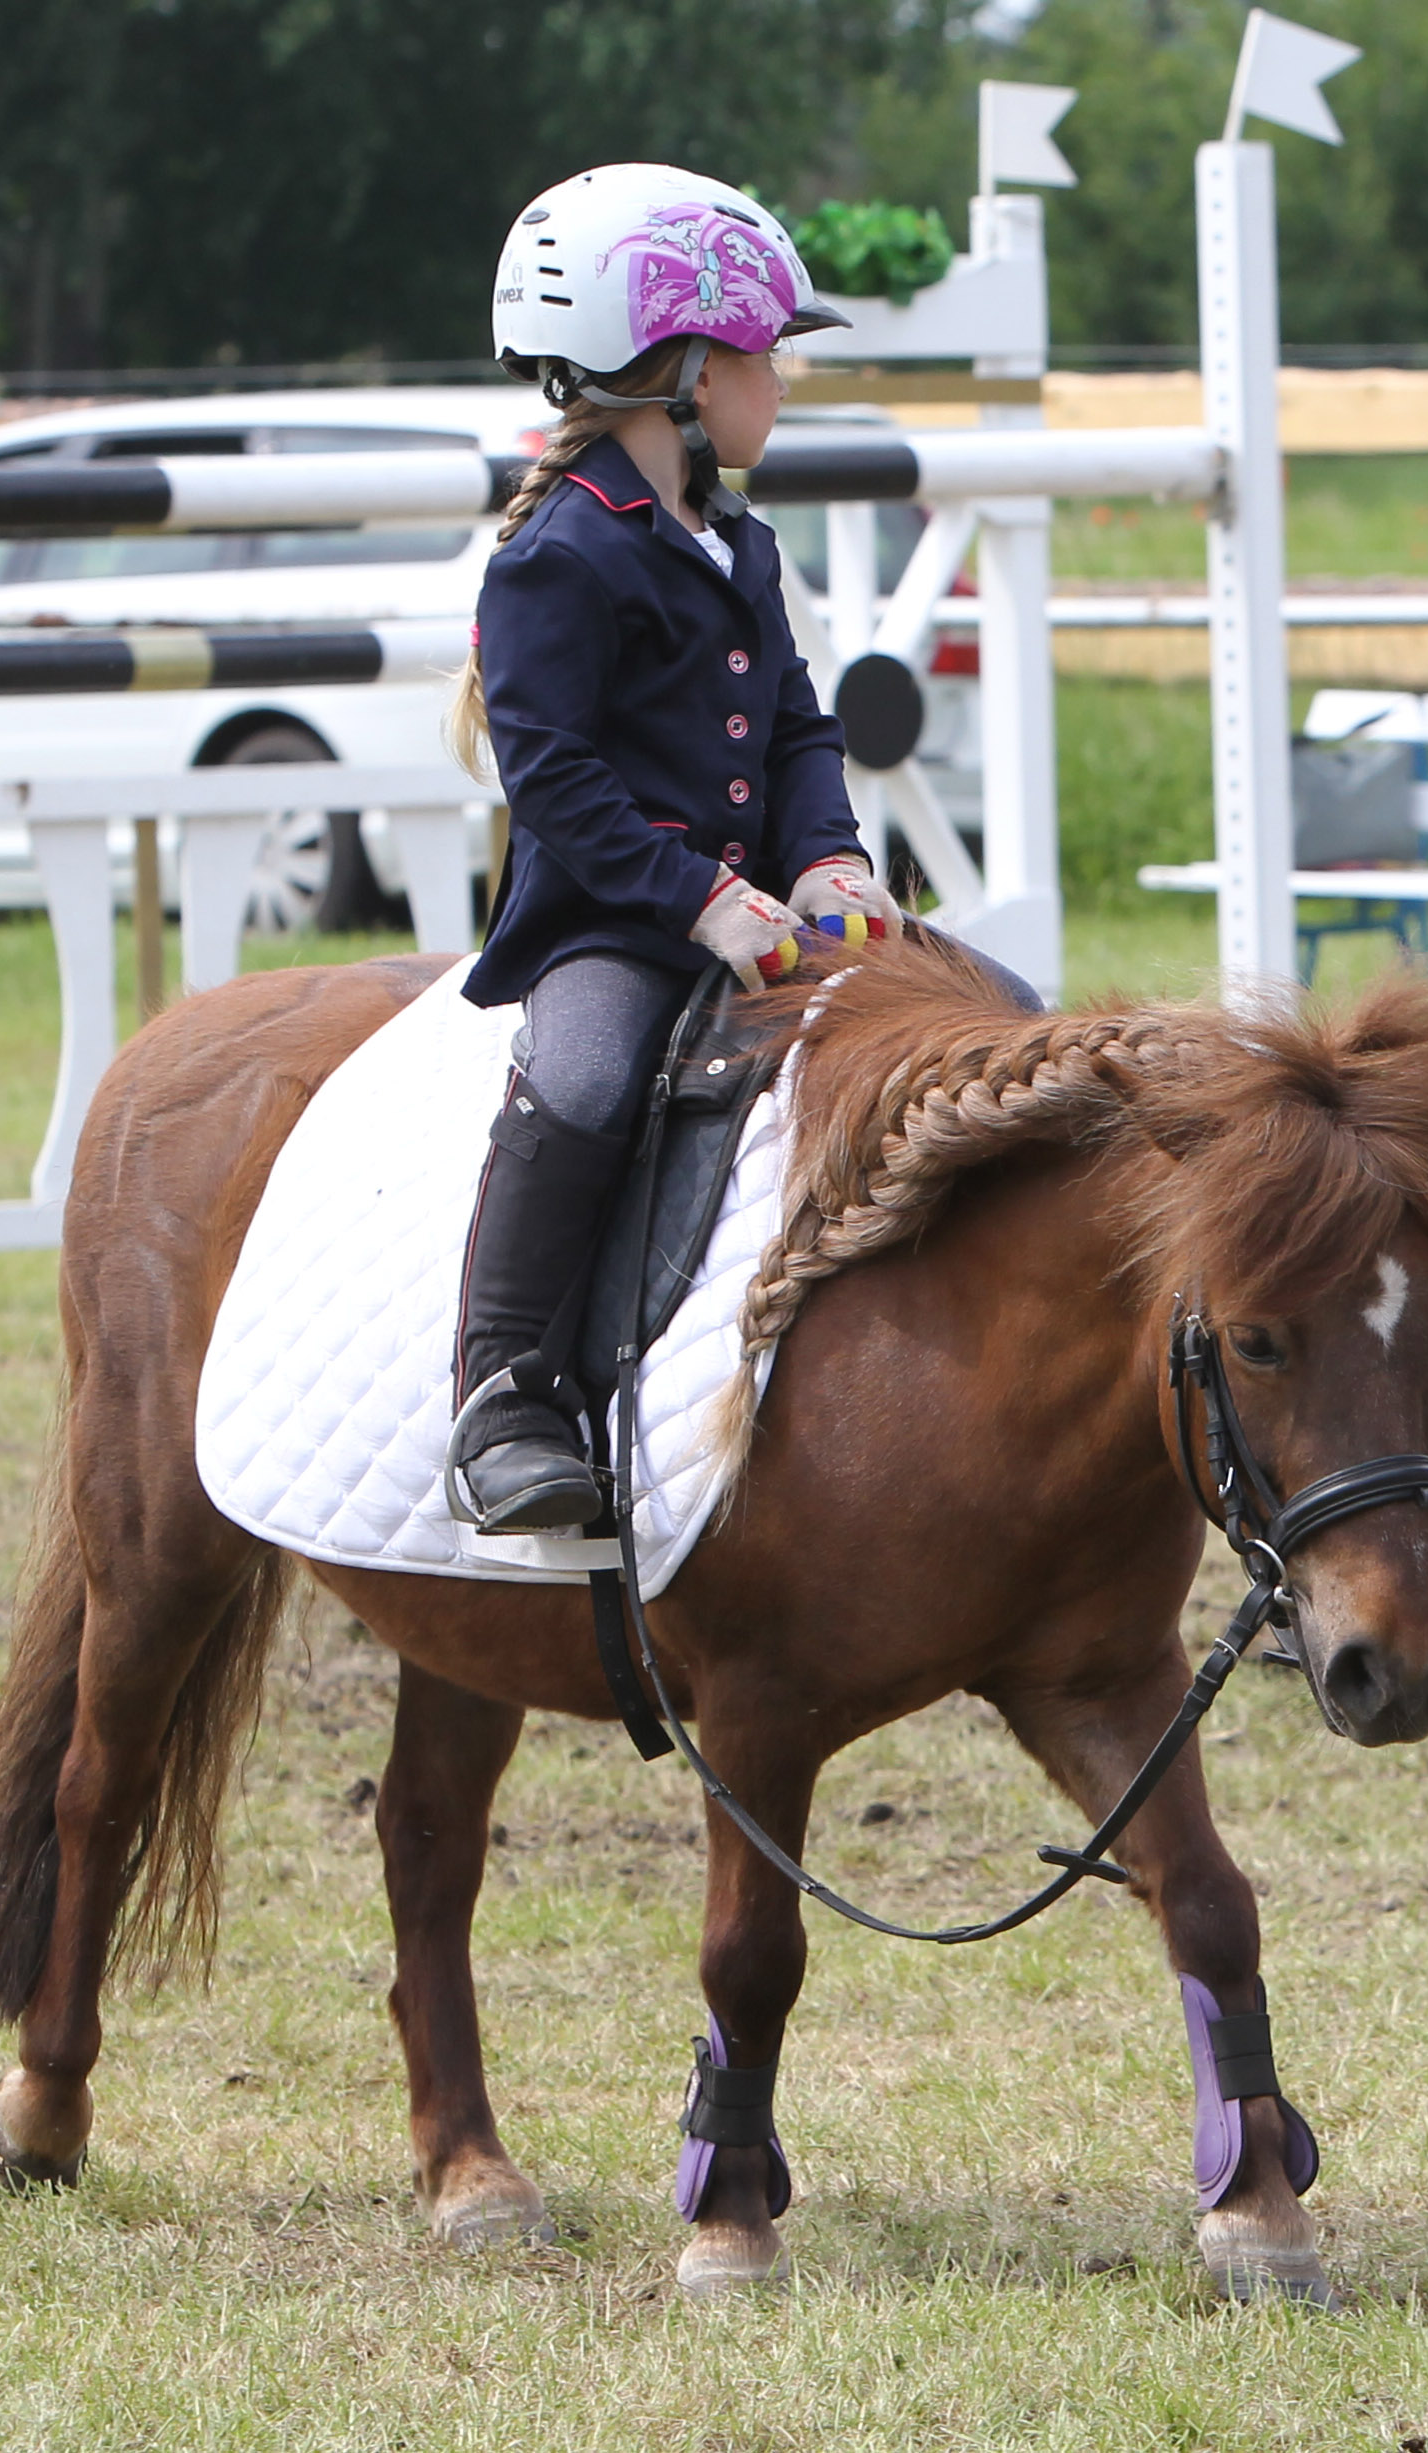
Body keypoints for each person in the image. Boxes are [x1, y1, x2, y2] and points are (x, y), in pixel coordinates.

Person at [440, 163, 899, 1534]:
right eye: (766, 354)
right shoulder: (561, 559)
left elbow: (799, 731)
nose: (782, 382)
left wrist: (826, 859)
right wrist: (698, 900)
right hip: (615, 926)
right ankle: (503, 1393)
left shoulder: (735, 538)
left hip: (768, 906)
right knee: (580, 1073)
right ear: (690, 372)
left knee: (973, 1005)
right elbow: (558, 781)